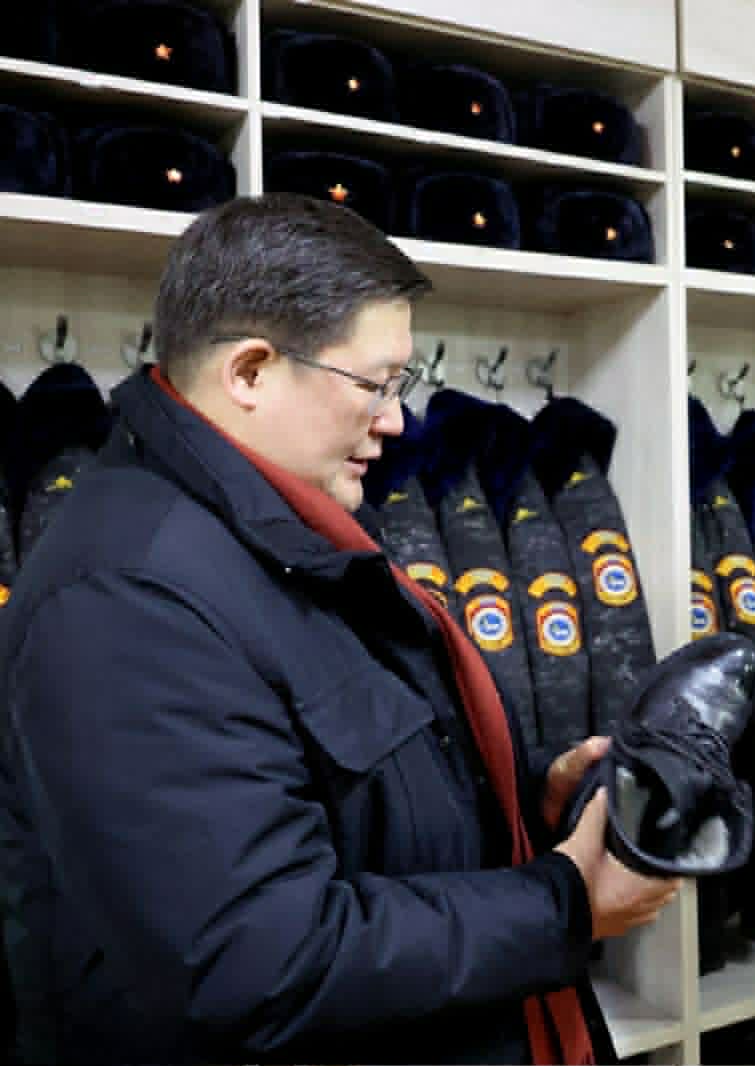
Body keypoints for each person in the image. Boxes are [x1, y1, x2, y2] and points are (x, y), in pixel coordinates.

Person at [0, 194, 678, 1065]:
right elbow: (257, 959)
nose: (396, 419)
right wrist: (564, 902)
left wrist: (528, 795)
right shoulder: (127, 599)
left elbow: (339, 783)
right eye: (376, 384)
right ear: (250, 372)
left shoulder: (284, 535)